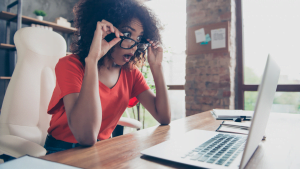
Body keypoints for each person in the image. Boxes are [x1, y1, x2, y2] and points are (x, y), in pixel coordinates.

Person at [44, 0, 171, 155]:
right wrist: (92, 60)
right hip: (61, 151)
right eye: (127, 34)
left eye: (139, 39)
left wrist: (156, 68)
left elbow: (164, 117)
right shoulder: (70, 65)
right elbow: (86, 137)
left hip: (101, 151)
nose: (134, 46)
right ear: (107, 31)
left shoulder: (131, 73)